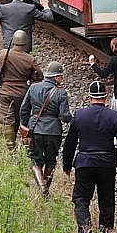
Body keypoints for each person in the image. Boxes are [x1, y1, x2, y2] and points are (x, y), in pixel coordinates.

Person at [63, 80, 117, 233]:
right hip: (106, 163)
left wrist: (67, 165)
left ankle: (85, 231)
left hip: (84, 162)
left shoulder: (79, 115)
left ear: (89, 97)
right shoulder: (114, 116)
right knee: (106, 200)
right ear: (105, 97)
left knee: (81, 198)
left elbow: (70, 143)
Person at [20, 61, 71, 197]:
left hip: (35, 129)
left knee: (35, 160)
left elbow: (24, 109)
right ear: (56, 77)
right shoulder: (61, 93)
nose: (62, 79)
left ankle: (41, 187)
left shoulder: (33, 88)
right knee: (51, 161)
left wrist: (25, 126)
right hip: (53, 131)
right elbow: (65, 116)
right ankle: (45, 191)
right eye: (61, 76)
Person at [0, 30, 43, 150]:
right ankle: (14, 142)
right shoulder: (30, 59)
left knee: (7, 119)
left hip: (4, 91)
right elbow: (40, 76)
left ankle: (10, 147)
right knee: (17, 118)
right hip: (22, 93)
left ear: (13, 41)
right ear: (25, 43)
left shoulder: (3, 53)